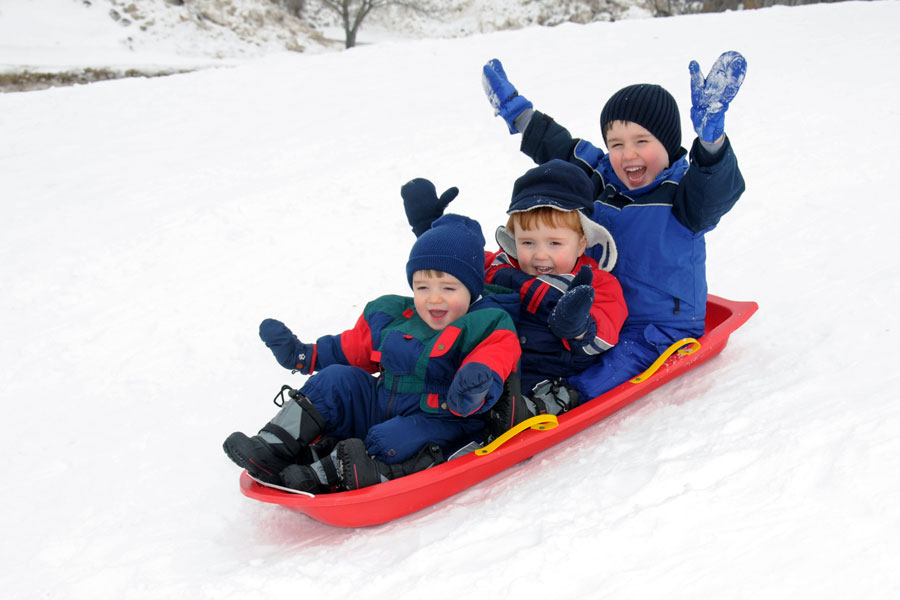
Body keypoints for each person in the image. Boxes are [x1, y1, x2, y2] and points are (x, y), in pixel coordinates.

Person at [480, 51, 747, 400]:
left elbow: (715, 190)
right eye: (616, 144)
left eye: (642, 142)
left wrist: (711, 147)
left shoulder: (685, 195)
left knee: (616, 366)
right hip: (598, 312)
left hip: (658, 327)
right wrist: (517, 111)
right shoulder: (602, 178)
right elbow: (559, 149)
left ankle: (562, 398)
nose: (627, 155)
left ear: (667, 144)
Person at [223, 214, 521, 492]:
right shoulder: (394, 315)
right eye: (422, 286)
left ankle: (328, 473)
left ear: (472, 290)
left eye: (448, 288)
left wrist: (473, 386)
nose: (434, 298)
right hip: (381, 405)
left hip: (443, 419)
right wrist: (302, 355)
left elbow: (492, 360)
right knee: (336, 380)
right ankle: (274, 446)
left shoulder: (488, 323)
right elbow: (349, 349)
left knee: (392, 438)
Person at [401, 159, 629, 416]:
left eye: (554, 243)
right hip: (482, 363)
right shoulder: (502, 264)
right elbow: (459, 264)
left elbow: (607, 328)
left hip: (542, 376)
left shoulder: (596, 282)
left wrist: (577, 326)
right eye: (528, 243)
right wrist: (427, 226)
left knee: (491, 408)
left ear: (580, 244)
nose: (540, 256)